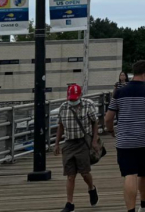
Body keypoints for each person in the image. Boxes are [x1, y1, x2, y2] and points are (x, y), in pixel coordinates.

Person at [105, 60, 145, 212]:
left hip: (125, 141)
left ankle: (131, 210)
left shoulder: (120, 92)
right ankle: (144, 205)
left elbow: (108, 118)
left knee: (129, 174)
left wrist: (111, 131)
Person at [54, 84, 100, 212]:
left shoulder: (88, 105)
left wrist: (94, 140)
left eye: (75, 98)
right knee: (70, 175)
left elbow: (95, 122)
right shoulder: (63, 107)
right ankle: (70, 203)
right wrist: (57, 143)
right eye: (71, 99)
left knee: (85, 173)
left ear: (80, 95)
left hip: (82, 142)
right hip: (69, 143)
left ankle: (91, 188)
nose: (73, 101)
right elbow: (60, 126)